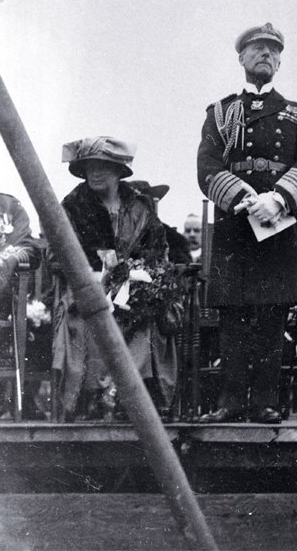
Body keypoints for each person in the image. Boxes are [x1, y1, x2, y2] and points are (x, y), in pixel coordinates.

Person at [197, 22, 297, 423]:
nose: (265, 54)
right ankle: (230, 402)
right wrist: (243, 198)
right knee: (232, 313)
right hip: (235, 223)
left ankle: (266, 401)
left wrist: (279, 198)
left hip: (279, 223)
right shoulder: (220, 112)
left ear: (280, 61)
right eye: (256, 48)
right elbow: (208, 165)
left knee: (271, 313)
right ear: (242, 58)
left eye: (272, 49)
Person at [51, 136, 183, 422]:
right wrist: (94, 274)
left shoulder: (140, 207)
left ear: (118, 171)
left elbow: (158, 252)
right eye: (89, 167)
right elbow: (55, 253)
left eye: (104, 166)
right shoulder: (71, 206)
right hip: (86, 286)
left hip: (134, 284)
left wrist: (139, 276)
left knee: (143, 310)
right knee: (96, 311)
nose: (96, 173)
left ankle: (125, 396)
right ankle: (96, 397)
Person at [0, 140, 41, 417]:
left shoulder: (8, 205)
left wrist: (10, 259)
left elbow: (29, 248)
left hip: (1, 297)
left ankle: (4, 398)